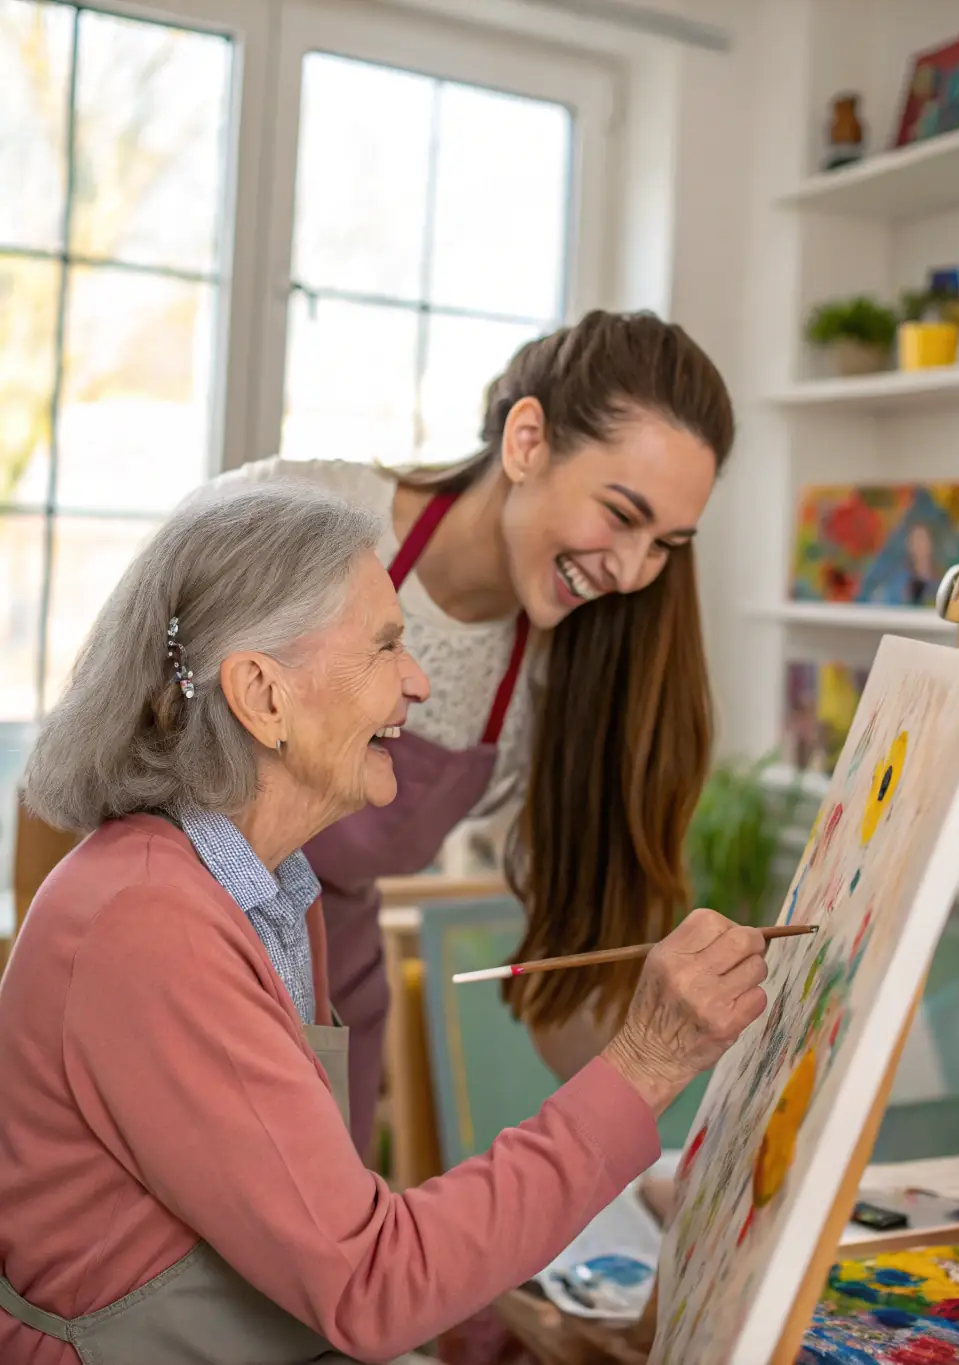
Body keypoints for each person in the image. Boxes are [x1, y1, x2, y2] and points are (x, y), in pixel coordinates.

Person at [0, 482, 768, 1365]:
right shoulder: (148, 925)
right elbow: (369, 1283)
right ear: (263, 695)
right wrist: (646, 1063)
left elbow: (324, 1232)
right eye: (386, 646)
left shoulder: (271, 891)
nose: (419, 681)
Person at [211, 308, 736, 1157]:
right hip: (171, 963)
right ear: (527, 440)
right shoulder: (294, 514)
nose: (633, 572)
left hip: (331, 992)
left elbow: (574, 1013)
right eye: (620, 514)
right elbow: (73, 766)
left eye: (666, 544)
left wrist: (683, 1093)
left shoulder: (570, 669)